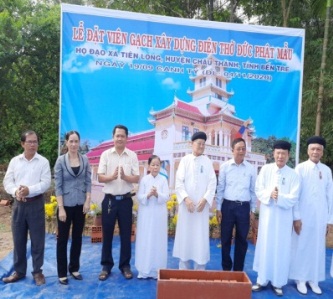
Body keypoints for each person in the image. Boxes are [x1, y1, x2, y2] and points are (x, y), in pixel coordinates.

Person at [2, 130, 51, 286]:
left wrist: (29, 190)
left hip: (36, 204)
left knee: (38, 240)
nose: (32, 144)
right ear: (22, 144)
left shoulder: (43, 162)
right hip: (19, 205)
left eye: (35, 141)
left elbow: (45, 183)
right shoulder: (15, 161)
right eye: (29, 141)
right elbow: (7, 182)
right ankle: (19, 271)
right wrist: (16, 191)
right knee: (18, 239)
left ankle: (37, 272)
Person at [252, 140, 300, 296]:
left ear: (288, 155)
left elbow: (294, 198)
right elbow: (258, 189)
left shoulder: (293, 174)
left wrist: (279, 197)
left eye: (283, 153)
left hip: (284, 219)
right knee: (265, 246)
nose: (280, 156)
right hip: (267, 217)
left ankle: (278, 282)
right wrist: (269, 195)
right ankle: (262, 279)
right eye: (278, 153)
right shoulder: (265, 170)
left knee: (281, 248)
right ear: (273, 154)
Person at [289, 136, 333, 295]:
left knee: (317, 248)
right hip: (303, 216)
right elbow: (295, 195)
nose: (315, 152)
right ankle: (300, 279)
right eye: (313, 149)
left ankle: (313, 280)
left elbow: (331, 196)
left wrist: (330, 220)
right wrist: (296, 217)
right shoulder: (300, 169)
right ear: (307, 150)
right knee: (301, 246)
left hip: (320, 217)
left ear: (322, 152)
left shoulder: (327, 171)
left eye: (318, 149)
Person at [97, 124, 139, 280]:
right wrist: (112, 177)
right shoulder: (105, 155)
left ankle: (125, 266)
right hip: (109, 200)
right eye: (117, 135)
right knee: (107, 234)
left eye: (123, 136)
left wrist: (127, 177)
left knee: (126, 234)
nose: (120, 138)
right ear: (113, 137)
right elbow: (100, 177)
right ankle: (106, 266)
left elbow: (137, 177)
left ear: (127, 138)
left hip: (126, 201)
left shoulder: (132, 155)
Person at [172, 131, 217, 270]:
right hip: (187, 208)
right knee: (185, 236)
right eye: (199, 143)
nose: (201, 146)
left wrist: (205, 199)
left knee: (200, 238)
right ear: (192, 144)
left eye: (203, 144)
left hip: (201, 208)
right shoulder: (185, 160)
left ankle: (200, 271)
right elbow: (178, 182)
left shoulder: (207, 162)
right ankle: (183, 270)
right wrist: (185, 199)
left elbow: (212, 183)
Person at [54, 131, 92, 285]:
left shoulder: (85, 160)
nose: (74, 144)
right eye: (71, 141)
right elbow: (58, 186)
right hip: (65, 206)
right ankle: (62, 273)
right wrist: (61, 208)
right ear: (66, 142)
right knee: (62, 240)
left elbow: (88, 181)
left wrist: (88, 200)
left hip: (80, 205)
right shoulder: (60, 161)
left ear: (79, 142)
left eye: (76, 141)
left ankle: (74, 268)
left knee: (77, 238)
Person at [216, 137, 257, 271]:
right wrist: (218, 208)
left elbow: (253, 191)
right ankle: (226, 269)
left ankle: (238, 270)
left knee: (242, 240)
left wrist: (253, 210)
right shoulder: (225, 167)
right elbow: (220, 189)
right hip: (227, 207)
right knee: (225, 239)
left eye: (243, 149)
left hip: (244, 208)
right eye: (238, 149)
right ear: (232, 150)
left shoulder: (251, 168)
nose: (241, 151)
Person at [135, 155, 169, 279]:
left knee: (158, 239)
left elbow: (166, 197)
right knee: (146, 238)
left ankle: (157, 270)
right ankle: (143, 270)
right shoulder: (144, 180)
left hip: (159, 214)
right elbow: (139, 196)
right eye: (153, 165)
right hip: (146, 214)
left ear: (160, 166)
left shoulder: (163, 180)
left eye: (157, 165)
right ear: (149, 166)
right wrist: (148, 195)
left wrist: (157, 194)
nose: (155, 167)